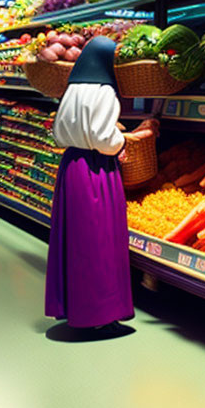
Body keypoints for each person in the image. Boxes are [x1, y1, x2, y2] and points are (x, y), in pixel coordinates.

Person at [45, 35, 135, 332]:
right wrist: (122, 142)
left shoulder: (71, 90)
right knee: (99, 240)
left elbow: (60, 132)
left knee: (76, 240)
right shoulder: (104, 92)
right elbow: (102, 136)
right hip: (97, 172)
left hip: (71, 167)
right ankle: (99, 315)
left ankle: (75, 308)